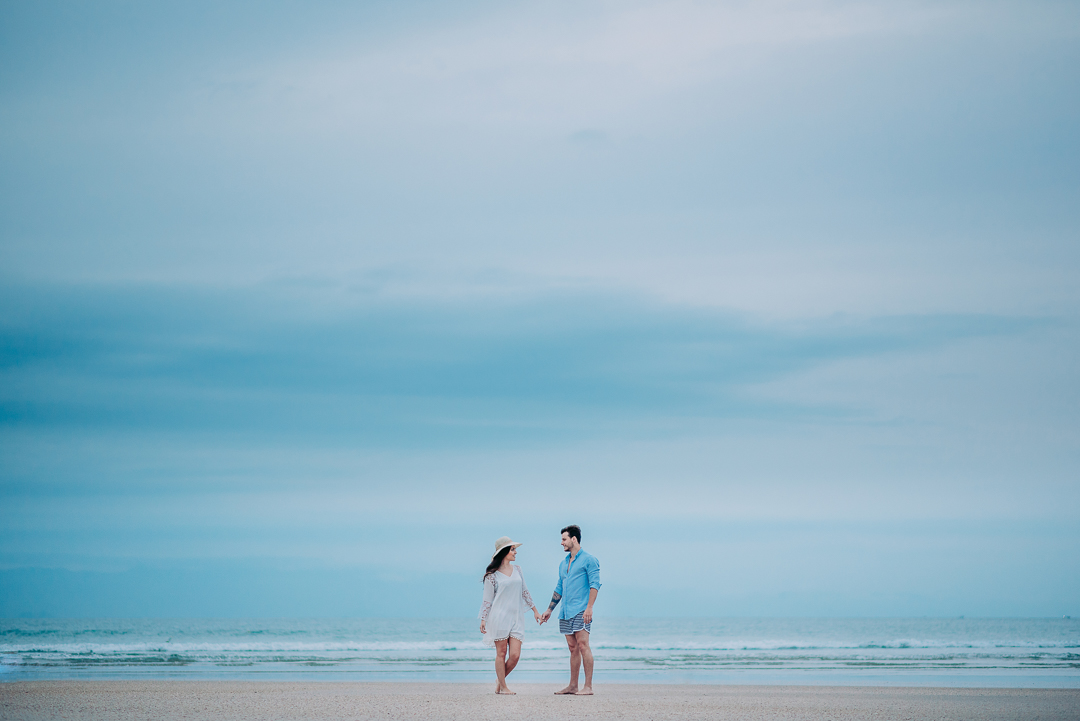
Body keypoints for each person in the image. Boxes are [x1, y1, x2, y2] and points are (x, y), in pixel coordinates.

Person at [538, 524, 601, 695]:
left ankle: (587, 687)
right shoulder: (563, 563)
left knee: (583, 645)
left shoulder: (589, 559)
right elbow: (560, 587)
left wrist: (589, 608)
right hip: (565, 611)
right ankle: (573, 686)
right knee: (572, 648)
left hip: (581, 609)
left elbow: (595, 585)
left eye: (564, 539)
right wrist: (550, 609)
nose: (561, 543)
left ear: (574, 539)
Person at [479, 536, 541, 695]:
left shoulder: (518, 570)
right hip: (499, 617)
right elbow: (487, 600)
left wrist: (535, 610)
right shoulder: (492, 575)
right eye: (513, 549)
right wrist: (483, 619)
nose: (515, 552)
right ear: (504, 552)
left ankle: (499, 680)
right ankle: (503, 687)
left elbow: (525, 591)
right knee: (501, 653)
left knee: (515, 655)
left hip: (516, 618)